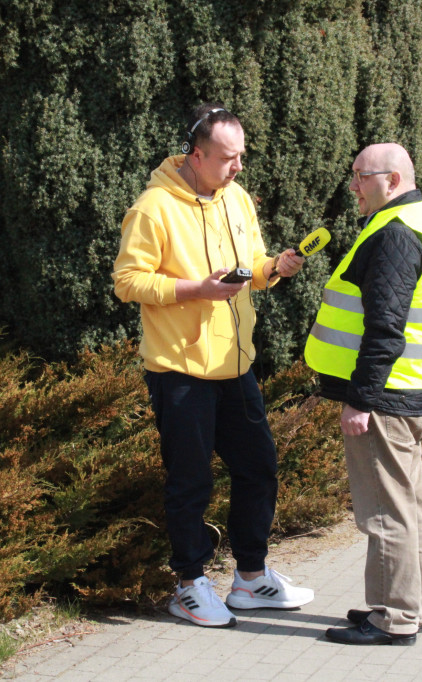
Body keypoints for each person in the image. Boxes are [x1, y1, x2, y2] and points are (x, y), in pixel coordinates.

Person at [112, 103, 314, 629]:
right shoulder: (153, 208)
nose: (238, 167)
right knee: (190, 481)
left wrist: (274, 268)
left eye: (241, 156)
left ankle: (250, 578)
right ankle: (188, 585)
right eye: (228, 158)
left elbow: (252, 268)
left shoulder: (237, 198)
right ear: (196, 156)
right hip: (178, 370)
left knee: (259, 468)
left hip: (234, 365)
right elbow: (127, 281)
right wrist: (196, 290)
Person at [305, 143, 422, 646]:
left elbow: (385, 328)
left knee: (387, 514)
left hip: (385, 400)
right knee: (408, 510)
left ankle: (394, 618)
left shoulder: (395, 233)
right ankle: (407, 606)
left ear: (391, 180)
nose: (353, 186)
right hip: (410, 389)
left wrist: (361, 399)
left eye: (360, 176)